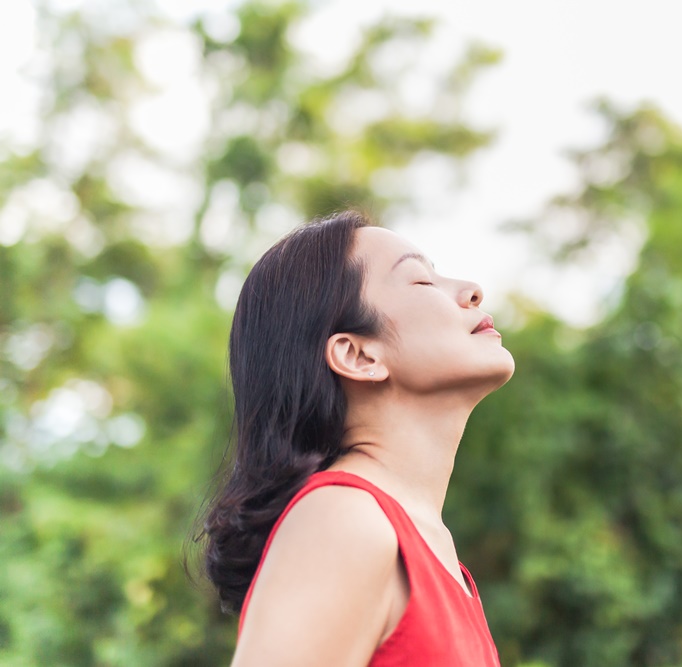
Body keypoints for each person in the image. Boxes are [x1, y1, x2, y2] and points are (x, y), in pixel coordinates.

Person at [197, 211, 515, 666]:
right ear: (358, 354)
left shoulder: (434, 550)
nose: (471, 290)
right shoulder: (343, 518)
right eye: (421, 281)